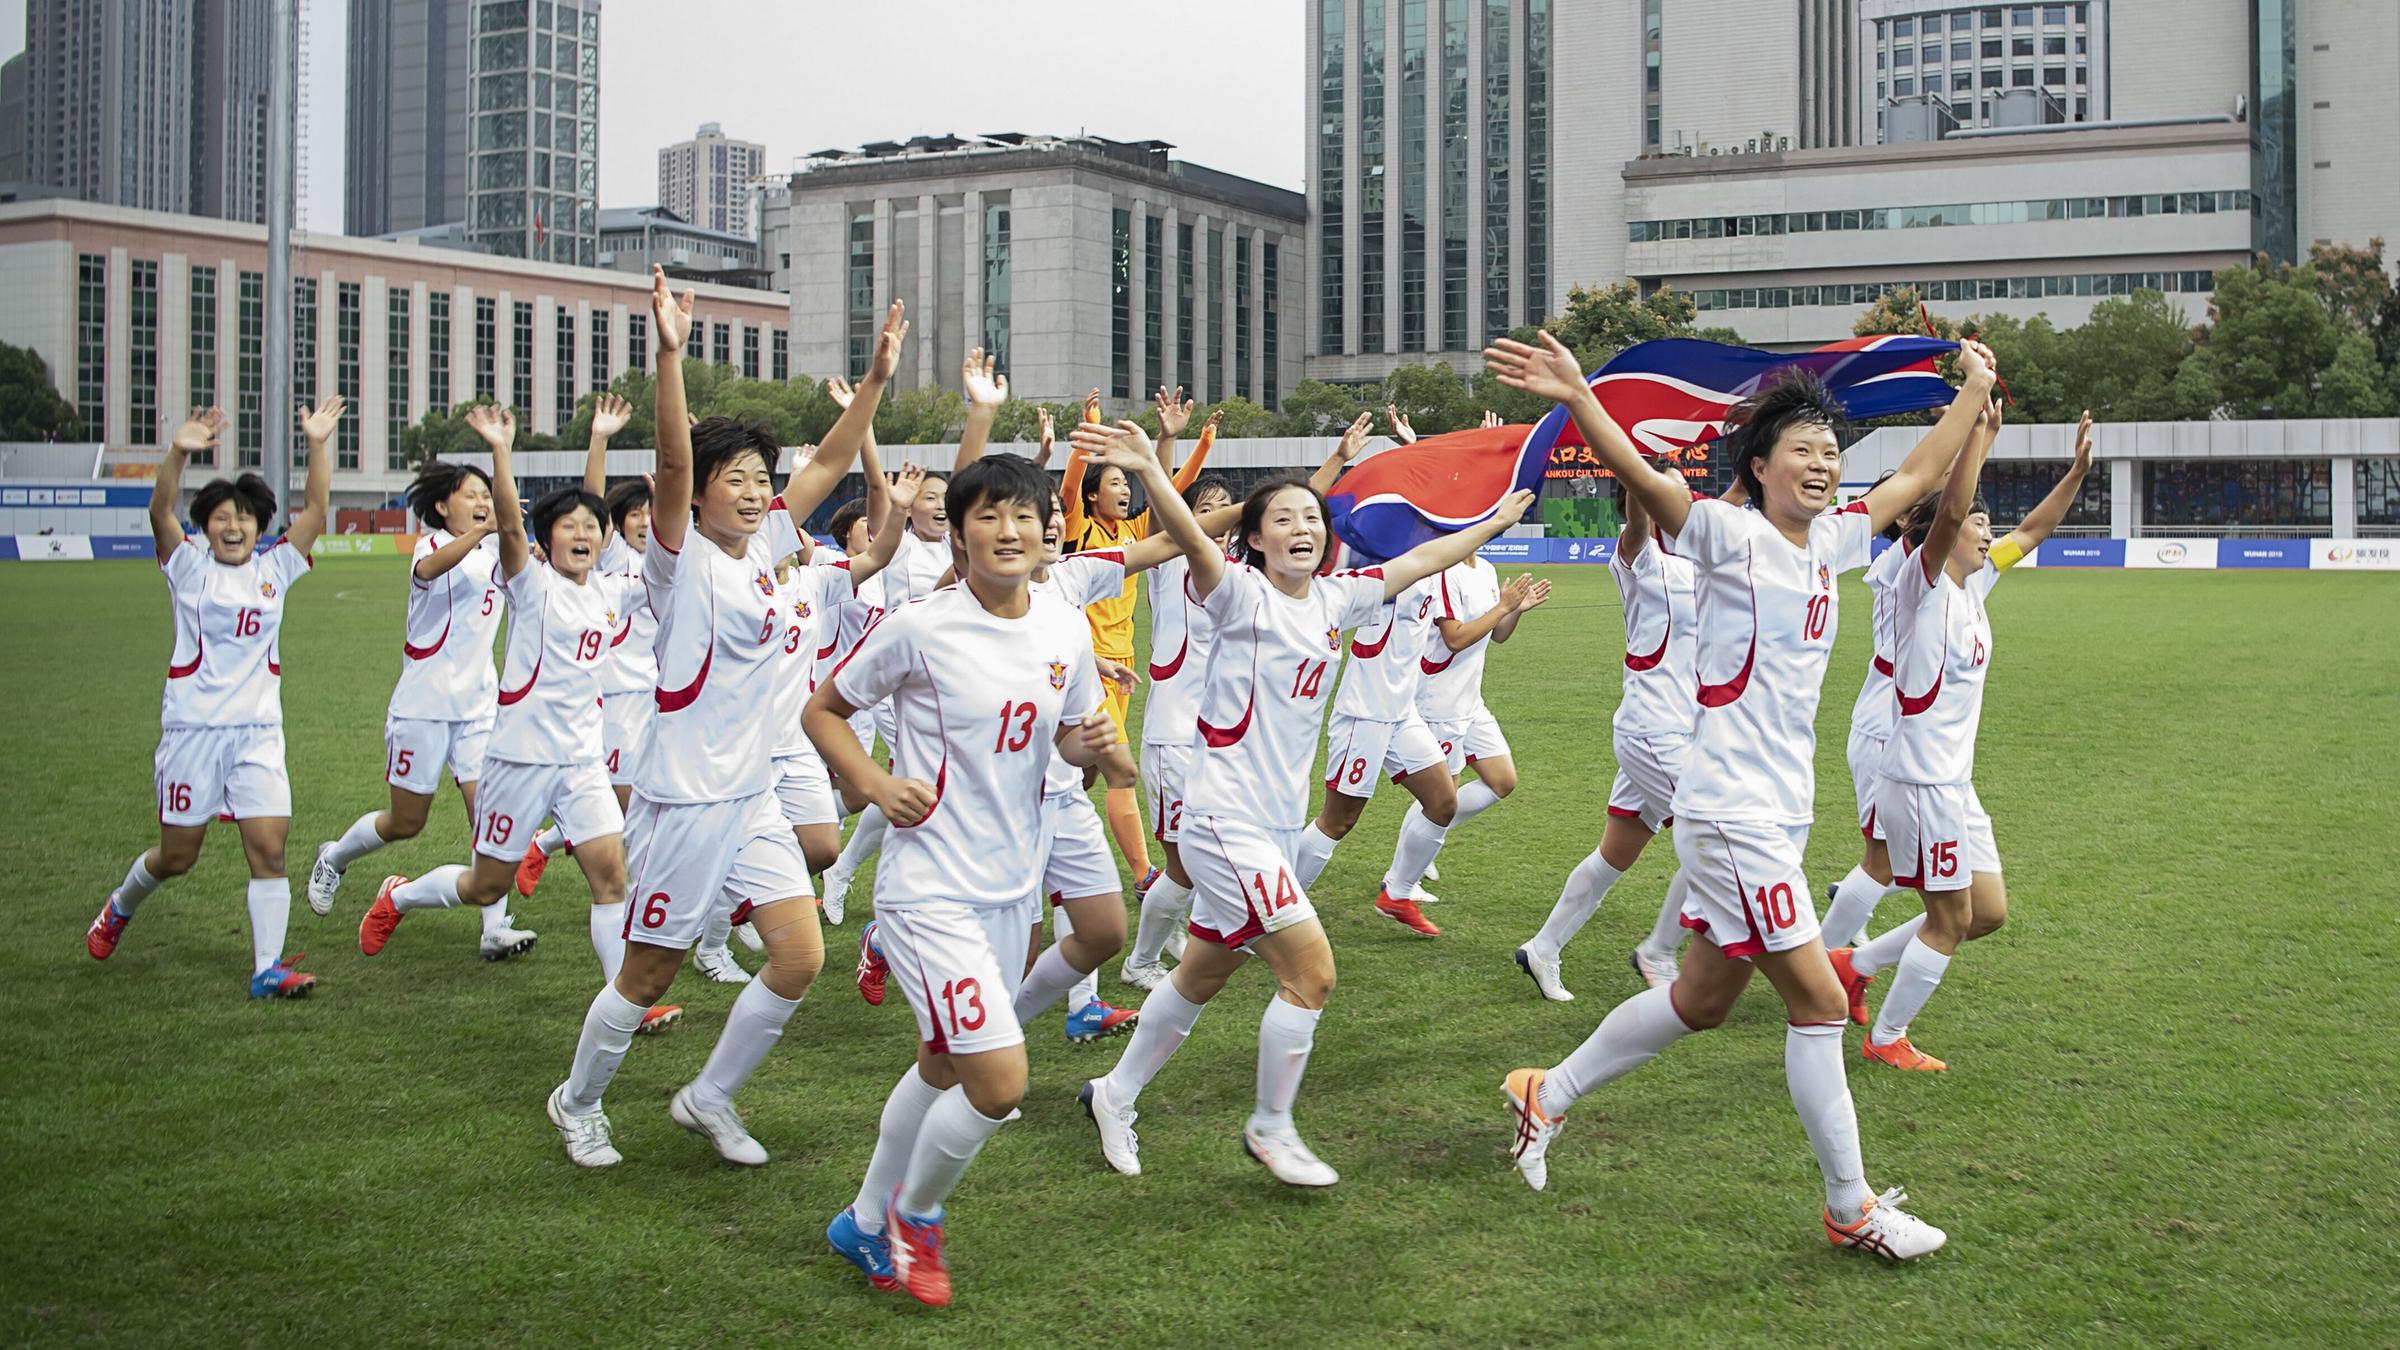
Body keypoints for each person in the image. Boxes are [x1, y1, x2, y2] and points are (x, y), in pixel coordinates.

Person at [1483, 327, 1997, 1261]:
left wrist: (1971, 394)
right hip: (1730, 815)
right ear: (1758, 467)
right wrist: (1579, 396)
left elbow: (1921, 477)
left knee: (1700, 1000)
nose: (1823, 463)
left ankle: (1541, 1094)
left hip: (1775, 814)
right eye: (1802, 449)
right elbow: (1646, 481)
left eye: (1831, 450)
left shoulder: (1834, 540)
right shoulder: (1727, 535)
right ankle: (1852, 1209)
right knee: (1820, 1006)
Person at [1078, 459, 1534, 1187]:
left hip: (1274, 827)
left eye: (1312, 518)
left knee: (1202, 974)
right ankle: (1271, 1126)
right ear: (1254, 538)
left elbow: (1422, 560)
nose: (1302, 528)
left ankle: (1113, 1093)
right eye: (1283, 518)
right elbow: (1188, 537)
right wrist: (1149, 467)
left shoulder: (1335, 597)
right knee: (1312, 975)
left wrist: (1493, 521)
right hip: (1224, 821)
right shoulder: (1236, 591)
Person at [543, 269, 903, 1171]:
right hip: (684, 802)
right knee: (647, 974)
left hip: (751, 796)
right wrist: (669, 355)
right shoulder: (679, 561)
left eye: (758, 480)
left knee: (799, 958)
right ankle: (576, 1103)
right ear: (698, 493)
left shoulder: (768, 545)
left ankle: (708, 1097)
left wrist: (874, 383)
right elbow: (670, 465)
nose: (752, 492)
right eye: (732, 479)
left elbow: (825, 465)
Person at [807, 453, 1116, 1309]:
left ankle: (861, 1222)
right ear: (959, 530)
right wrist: (874, 784)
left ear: (1046, 529)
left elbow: (1067, 738)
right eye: (987, 515)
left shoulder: (1064, 629)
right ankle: (917, 1214)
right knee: (1000, 1083)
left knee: (943, 1064)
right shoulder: (920, 626)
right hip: (929, 889)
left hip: (1011, 886)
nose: (1008, 531)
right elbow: (823, 710)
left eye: (1023, 515)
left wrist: (1088, 747)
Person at [357, 406, 670, 1026]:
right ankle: (401, 894)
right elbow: (507, 527)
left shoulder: (616, 590)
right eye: (567, 527)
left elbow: (641, 537)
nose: (582, 534)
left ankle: (625, 1005)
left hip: (582, 765)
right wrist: (501, 450)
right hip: (519, 762)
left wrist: (608, 447)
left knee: (611, 878)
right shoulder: (531, 583)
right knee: (486, 886)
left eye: (591, 527)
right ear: (544, 541)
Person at [1833, 409, 2093, 1070]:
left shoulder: (1974, 580)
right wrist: (1976, 429)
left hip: (1953, 782)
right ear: (1939, 532)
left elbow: (2032, 531)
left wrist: (2076, 472)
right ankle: (1886, 1038)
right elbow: (1948, 511)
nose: (1988, 530)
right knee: (1945, 917)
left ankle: (1852, 965)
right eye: (1978, 521)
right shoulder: (1915, 584)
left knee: (1987, 913)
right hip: (1920, 780)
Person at [88, 399, 336, 997]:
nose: (233, 526)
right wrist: (178, 452)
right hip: (193, 732)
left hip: (258, 733)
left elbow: (317, 510)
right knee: (177, 857)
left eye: (244, 518)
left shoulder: (277, 568)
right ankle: (120, 906)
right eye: (222, 517)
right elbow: (159, 510)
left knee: (269, 849)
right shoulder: (187, 566)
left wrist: (317, 443)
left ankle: (267, 970)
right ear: (205, 524)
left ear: (259, 525)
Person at [309, 433, 513, 948]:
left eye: (487, 494)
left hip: (479, 709)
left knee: (489, 817)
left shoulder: (495, 552)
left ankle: (494, 929)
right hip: (423, 708)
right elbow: (430, 569)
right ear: (443, 505)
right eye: (471, 494)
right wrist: (485, 530)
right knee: (406, 821)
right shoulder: (431, 546)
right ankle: (333, 857)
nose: (482, 501)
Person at [1516, 454, 1698, 1000]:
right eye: (1669, 488)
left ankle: (1543, 948)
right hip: (1655, 730)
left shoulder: (1699, 555)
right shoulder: (1639, 554)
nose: (1683, 496)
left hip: (1686, 730)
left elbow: (1734, 501)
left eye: (1685, 488)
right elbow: (1640, 516)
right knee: (1719, 837)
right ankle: (1659, 951)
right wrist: (1641, 472)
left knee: (1615, 853)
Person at [1286, 412, 1461, 906]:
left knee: (1443, 801)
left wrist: (1420, 452)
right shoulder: (1374, 572)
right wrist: (1342, 461)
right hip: (1363, 713)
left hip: (1400, 713)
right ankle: (1276, 908)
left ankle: (1398, 893)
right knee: (1338, 820)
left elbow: (1451, 503)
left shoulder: (1429, 560)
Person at [1058, 385, 1220, 889]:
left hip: (1122, 664)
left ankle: (1046, 818)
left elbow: (1168, 489)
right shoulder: (1078, 530)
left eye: (1126, 483)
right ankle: (1144, 873)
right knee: (1120, 770)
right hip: (1086, 667)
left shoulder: (1133, 534)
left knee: (1080, 774)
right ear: (1093, 494)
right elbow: (1068, 491)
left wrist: (1186, 443)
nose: (1125, 490)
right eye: (1114, 482)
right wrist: (1088, 436)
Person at [816, 375, 944, 918]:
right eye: (929, 498)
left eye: (945, 498)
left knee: (912, 783)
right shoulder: (902, 547)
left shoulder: (960, 546)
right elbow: (875, 488)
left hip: (947, 680)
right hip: (901, 684)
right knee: (913, 782)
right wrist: (861, 419)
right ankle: (855, 871)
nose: (939, 506)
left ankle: (842, 865)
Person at [1373, 551, 1550, 937]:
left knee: (1502, 781)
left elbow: (1497, 634)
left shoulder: (1485, 568)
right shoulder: (1443, 570)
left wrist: (1515, 610)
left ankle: (1416, 856)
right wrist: (1501, 607)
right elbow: (1453, 638)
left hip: (1470, 699)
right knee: (1440, 799)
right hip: (1439, 700)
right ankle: (1399, 884)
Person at [1116, 470, 1235, 990]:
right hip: (1172, 738)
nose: (1218, 519)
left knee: (1216, 846)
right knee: (1184, 861)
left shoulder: (1235, 574)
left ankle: (1183, 932)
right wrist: (1159, 450)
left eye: (1225, 509)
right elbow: (1160, 501)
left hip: (1220, 740)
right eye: (1205, 509)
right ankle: (1141, 960)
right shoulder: (1169, 563)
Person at [1817, 470, 1915, 950]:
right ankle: (1826, 959)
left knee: (1916, 856)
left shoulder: (1930, 563)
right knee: (1894, 860)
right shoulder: (1898, 564)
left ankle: (1851, 897)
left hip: (1911, 735)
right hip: (1882, 731)